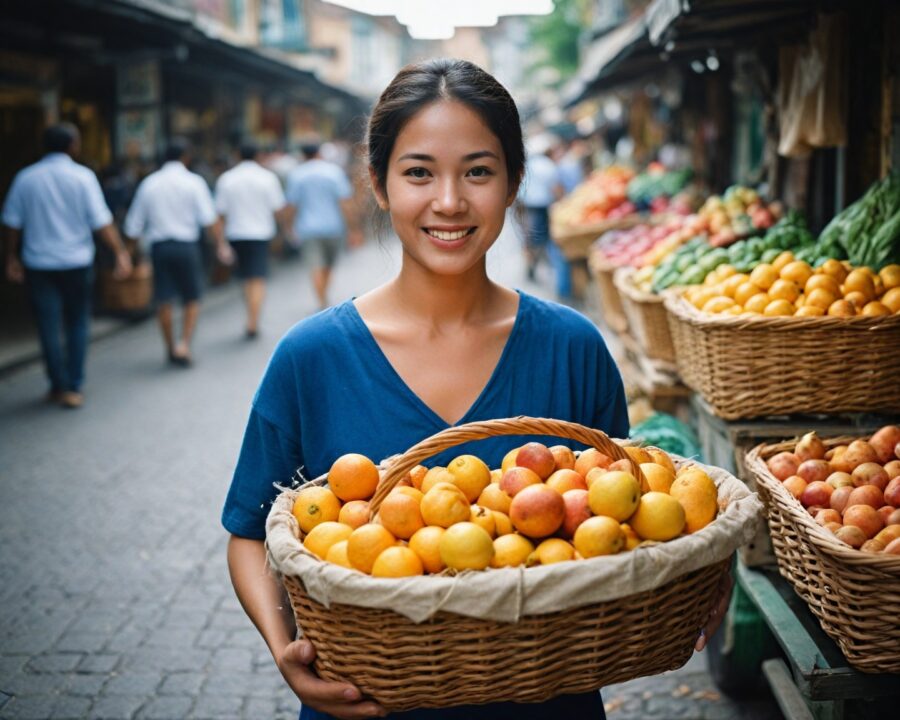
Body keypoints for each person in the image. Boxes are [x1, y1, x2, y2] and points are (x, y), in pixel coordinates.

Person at [222, 58, 731, 720]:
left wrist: (689, 569)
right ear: (378, 184)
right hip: (366, 704)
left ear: (516, 182)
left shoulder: (572, 349)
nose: (450, 201)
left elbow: (633, 511)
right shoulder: (310, 358)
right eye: (418, 172)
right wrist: (284, 646)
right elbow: (249, 531)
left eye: (478, 171)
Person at [2, 122, 132, 409]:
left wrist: (11, 256)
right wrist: (120, 252)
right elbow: (102, 222)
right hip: (76, 262)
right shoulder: (83, 177)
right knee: (77, 322)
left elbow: (11, 222)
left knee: (48, 323)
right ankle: (73, 385)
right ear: (73, 145)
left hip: (38, 262)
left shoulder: (26, 178)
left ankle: (57, 384)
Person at [124, 137, 233, 366]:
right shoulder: (193, 182)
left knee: (163, 298)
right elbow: (208, 218)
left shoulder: (149, 183)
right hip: (186, 246)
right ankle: (184, 343)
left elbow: (134, 223)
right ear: (186, 157)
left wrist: (127, 253)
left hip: (159, 247)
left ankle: (169, 346)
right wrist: (221, 245)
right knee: (192, 297)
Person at [215, 140, 288, 338]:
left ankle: (251, 318)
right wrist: (283, 232)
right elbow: (278, 209)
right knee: (257, 277)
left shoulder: (226, 179)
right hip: (260, 234)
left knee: (246, 277)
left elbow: (220, 214)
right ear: (258, 155)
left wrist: (220, 243)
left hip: (236, 234)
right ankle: (253, 321)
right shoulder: (267, 178)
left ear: (237, 155)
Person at [284, 142, 361, 309]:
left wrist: (288, 226)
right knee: (328, 265)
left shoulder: (297, 175)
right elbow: (345, 202)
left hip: (307, 229)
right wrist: (353, 229)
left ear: (302, 154)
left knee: (315, 265)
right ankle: (322, 299)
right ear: (319, 152)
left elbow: (291, 205)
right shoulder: (333, 172)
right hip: (333, 227)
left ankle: (321, 299)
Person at [518, 135, 567, 297]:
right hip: (542, 207)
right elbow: (556, 189)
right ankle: (535, 263)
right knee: (540, 239)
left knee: (531, 239)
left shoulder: (528, 165)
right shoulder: (547, 166)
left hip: (528, 207)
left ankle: (532, 263)